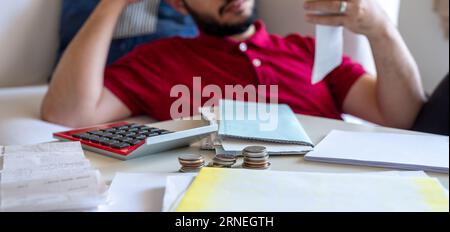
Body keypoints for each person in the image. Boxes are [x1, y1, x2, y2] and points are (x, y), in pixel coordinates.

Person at [42, 0, 426, 130]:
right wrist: (112, 4)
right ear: (178, 4)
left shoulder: (307, 52)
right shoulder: (160, 59)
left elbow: (402, 118)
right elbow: (68, 112)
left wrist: (380, 29)